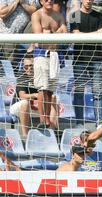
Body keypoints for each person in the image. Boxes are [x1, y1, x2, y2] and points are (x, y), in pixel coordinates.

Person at [31, 0, 67, 130]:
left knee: (50, 91)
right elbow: (40, 39)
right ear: (41, 1)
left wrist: (51, 34)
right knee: (42, 88)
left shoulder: (59, 16)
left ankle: (48, 121)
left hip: (54, 56)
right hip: (41, 55)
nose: (49, 1)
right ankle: (43, 120)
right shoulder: (37, 15)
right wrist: (57, 32)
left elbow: (65, 33)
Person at [69, 0, 102, 126]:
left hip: (97, 58)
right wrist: (93, 35)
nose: (89, 0)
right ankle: (79, 122)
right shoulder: (75, 15)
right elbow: (76, 35)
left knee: (98, 92)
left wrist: (85, 35)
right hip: (80, 59)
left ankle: (99, 122)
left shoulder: (99, 15)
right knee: (79, 92)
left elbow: (101, 34)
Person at [10, 55, 39, 138]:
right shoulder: (22, 75)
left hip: (35, 106)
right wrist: (35, 95)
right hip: (18, 107)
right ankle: (25, 135)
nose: (28, 68)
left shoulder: (40, 75)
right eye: (26, 66)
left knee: (54, 99)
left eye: (31, 66)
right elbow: (22, 96)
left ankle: (53, 131)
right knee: (25, 102)